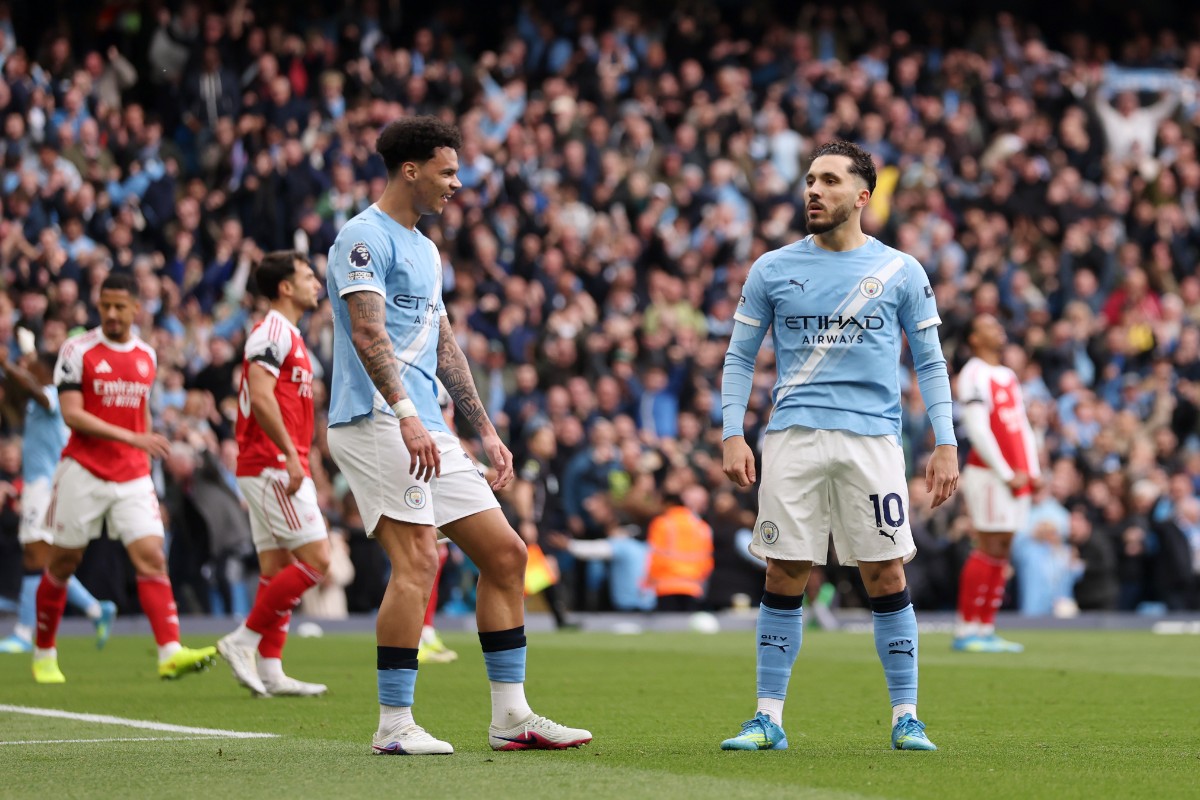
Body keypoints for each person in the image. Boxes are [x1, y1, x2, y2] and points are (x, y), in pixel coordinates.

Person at [324, 115, 590, 755]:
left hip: (426, 423)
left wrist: (486, 431)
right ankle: (393, 725)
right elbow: (368, 332)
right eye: (447, 171)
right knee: (418, 560)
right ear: (410, 170)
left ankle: (511, 717)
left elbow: (444, 347)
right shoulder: (362, 237)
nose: (457, 183)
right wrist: (406, 414)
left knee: (507, 556)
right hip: (376, 419)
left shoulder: (427, 249)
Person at [718, 141, 958, 752]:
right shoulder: (772, 268)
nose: (814, 191)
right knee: (785, 569)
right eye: (810, 180)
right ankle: (767, 718)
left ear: (862, 195)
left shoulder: (901, 270)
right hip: (792, 436)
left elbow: (930, 361)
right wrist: (731, 432)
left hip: (873, 440)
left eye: (829, 180)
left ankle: (907, 717)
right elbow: (739, 357)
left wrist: (946, 441)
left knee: (885, 571)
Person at [32, 273, 216, 683]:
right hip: (83, 469)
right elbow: (72, 414)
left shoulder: (146, 355)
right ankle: (44, 651)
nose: (112, 313)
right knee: (63, 562)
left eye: (120, 306)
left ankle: (169, 652)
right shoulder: (77, 350)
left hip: (132, 474)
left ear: (136, 308)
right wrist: (134, 438)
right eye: (105, 305)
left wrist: (145, 454)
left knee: (152, 556)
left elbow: (141, 413)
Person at [216, 250, 332, 697]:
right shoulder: (272, 332)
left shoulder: (290, 334)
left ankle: (270, 669)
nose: (315, 283)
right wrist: (290, 455)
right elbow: (261, 397)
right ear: (285, 287)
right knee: (317, 560)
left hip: (275, 462)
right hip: (271, 463)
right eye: (307, 276)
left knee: (277, 567)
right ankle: (242, 641)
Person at [0, 348, 116, 654]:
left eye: (32, 365)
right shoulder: (34, 402)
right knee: (42, 559)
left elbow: (35, 391)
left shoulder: (52, 395)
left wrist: (8, 365)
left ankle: (24, 633)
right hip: (42, 485)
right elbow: (18, 394)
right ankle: (95, 609)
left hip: (46, 485)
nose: (27, 368)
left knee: (35, 557)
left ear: (45, 370)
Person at [954, 313, 1041, 652]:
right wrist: (1006, 473)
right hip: (990, 474)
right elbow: (977, 429)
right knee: (987, 544)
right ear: (974, 339)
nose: (998, 329)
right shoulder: (973, 374)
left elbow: (1020, 424)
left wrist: (1032, 469)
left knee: (1003, 546)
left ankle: (986, 627)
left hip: (1016, 474)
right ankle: (967, 628)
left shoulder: (1007, 375)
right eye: (988, 326)